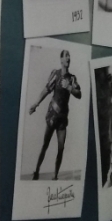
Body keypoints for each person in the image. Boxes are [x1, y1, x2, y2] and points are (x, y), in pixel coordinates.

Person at [28, 49, 81, 181]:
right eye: (66, 56)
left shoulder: (72, 78)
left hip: (62, 119)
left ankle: (55, 176)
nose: (68, 58)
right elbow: (46, 90)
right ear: (61, 59)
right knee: (45, 145)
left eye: (69, 56)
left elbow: (79, 94)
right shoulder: (56, 74)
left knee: (61, 148)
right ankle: (36, 171)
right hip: (52, 116)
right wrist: (36, 104)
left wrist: (69, 87)